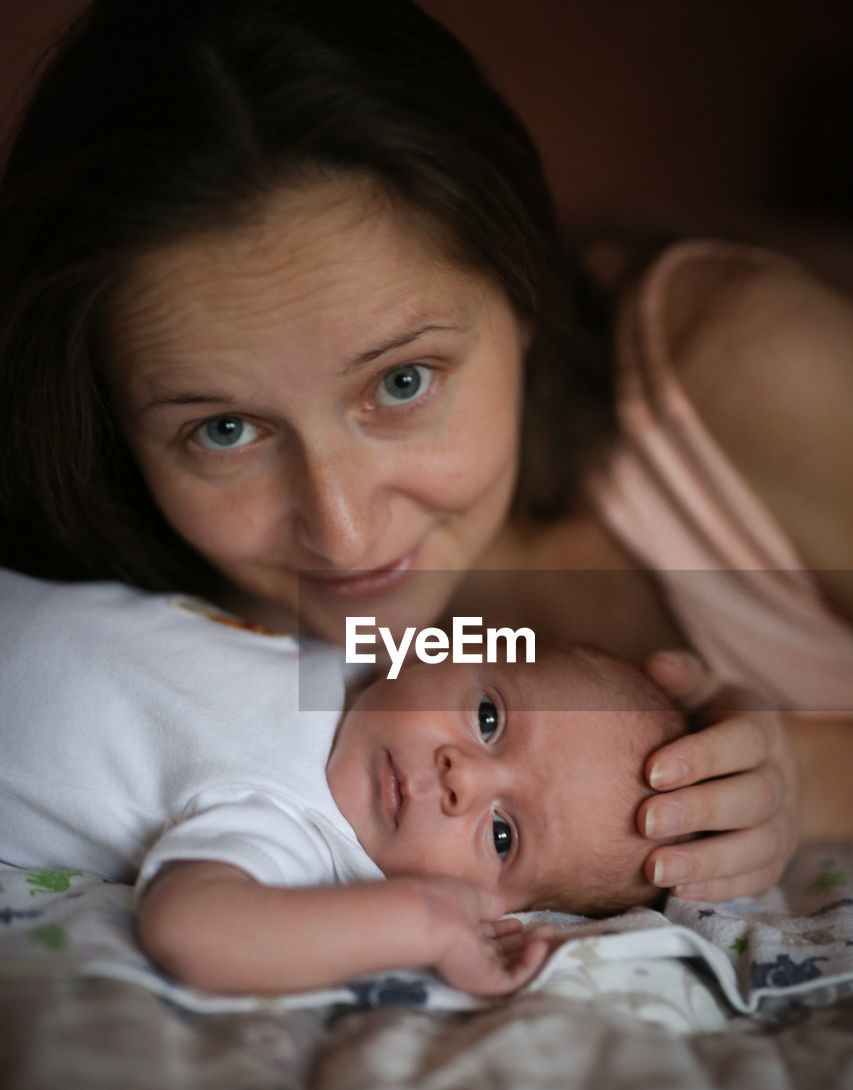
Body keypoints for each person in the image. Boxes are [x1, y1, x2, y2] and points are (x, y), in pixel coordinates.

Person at [0, 0, 851, 913]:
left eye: (402, 382)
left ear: (523, 294)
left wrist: (798, 776)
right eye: (224, 430)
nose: (342, 531)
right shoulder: (178, 635)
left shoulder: (745, 367)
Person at [0, 565, 685, 996]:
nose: (463, 779)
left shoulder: (302, 831)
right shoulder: (361, 660)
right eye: (486, 716)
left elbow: (190, 930)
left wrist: (424, 923)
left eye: (502, 835)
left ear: (499, 910)